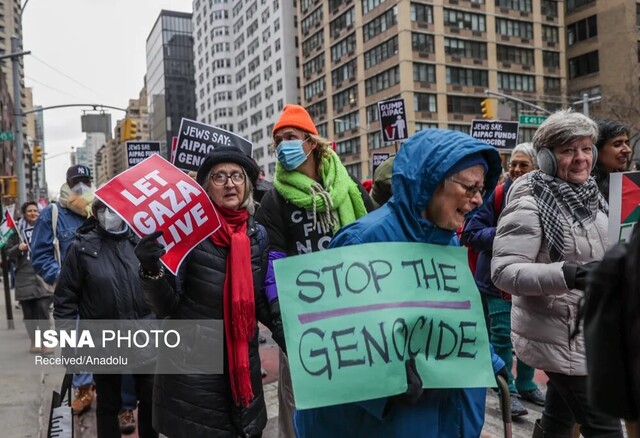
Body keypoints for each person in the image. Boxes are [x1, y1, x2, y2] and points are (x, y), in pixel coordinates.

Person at [293, 128, 506, 437]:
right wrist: (383, 380)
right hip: (382, 423)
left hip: (445, 415)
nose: (477, 199)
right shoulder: (362, 240)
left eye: (482, 189)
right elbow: (329, 350)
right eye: (470, 187)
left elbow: (455, 319)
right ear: (432, 182)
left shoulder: (446, 240)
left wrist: (489, 359)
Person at [134, 146, 286, 438]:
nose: (230, 183)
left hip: (242, 375)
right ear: (205, 188)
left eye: (237, 176)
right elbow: (166, 306)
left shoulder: (258, 235)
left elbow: (257, 301)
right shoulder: (188, 233)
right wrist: (151, 267)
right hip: (193, 378)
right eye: (219, 177)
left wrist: (288, 332)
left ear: (247, 185)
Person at [491, 110, 623, 437]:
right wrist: (567, 274)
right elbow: (504, 272)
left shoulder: (594, 196)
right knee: (605, 427)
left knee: (558, 421)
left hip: (589, 332)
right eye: (568, 150)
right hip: (559, 337)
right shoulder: (529, 201)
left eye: (586, 148)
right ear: (547, 158)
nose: (581, 158)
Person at [255, 104, 373, 437]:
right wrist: (280, 319)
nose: (282, 147)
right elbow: (272, 262)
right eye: (277, 141)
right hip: (303, 324)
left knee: (351, 402)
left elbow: (372, 233)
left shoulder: (348, 187)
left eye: (290, 137)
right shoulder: (274, 200)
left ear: (311, 141)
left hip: (352, 316)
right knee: (298, 408)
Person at [54, 200, 158, 438]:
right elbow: (65, 301)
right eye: (103, 208)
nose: (110, 214)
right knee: (109, 404)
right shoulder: (82, 248)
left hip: (146, 336)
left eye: (115, 208)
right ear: (95, 212)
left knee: (152, 401)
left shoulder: (140, 242)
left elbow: (160, 288)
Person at [462, 143, 544, 418]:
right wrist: (509, 232)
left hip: (532, 281)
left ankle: (526, 384)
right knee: (503, 337)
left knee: (530, 335)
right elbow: (470, 233)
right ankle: (506, 389)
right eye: (513, 164)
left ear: (537, 168)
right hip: (496, 282)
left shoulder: (545, 193)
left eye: (524, 165)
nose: (517, 170)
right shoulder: (496, 194)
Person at [31, 164, 96, 415]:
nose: (81, 186)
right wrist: (61, 279)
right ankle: (82, 388)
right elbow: (40, 254)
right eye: (75, 181)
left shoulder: (99, 208)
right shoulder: (53, 213)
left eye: (84, 181)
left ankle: (107, 388)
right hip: (72, 294)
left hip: (100, 288)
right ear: (68, 184)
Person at [7, 201, 53, 354]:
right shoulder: (16, 233)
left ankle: (46, 343)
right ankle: (34, 341)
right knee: (29, 313)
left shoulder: (47, 228)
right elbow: (8, 253)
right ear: (24, 214)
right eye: (29, 211)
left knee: (43, 309)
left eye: (35, 210)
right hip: (24, 276)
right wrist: (18, 248)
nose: (33, 213)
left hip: (42, 275)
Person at [592, 119, 631, 200]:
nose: (628, 150)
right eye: (617, 144)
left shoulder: (630, 181)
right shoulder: (586, 187)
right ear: (596, 150)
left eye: (626, 143)